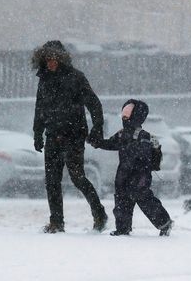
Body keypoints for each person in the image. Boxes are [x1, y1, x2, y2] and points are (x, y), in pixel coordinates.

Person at [32, 40, 108, 233]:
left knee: (77, 177)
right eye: (47, 59)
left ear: (61, 59)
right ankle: (56, 222)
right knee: (52, 180)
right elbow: (39, 108)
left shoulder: (76, 78)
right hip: (52, 136)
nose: (50, 63)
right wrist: (37, 133)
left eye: (53, 59)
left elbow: (94, 104)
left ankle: (99, 213)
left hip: (73, 136)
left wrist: (97, 127)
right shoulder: (44, 80)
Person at [90, 99, 173, 236]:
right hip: (123, 174)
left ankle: (164, 223)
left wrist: (135, 154)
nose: (124, 117)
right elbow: (111, 144)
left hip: (140, 175)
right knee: (122, 201)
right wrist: (98, 142)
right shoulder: (122, 134)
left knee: (144, 199)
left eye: (128, 114)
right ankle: (123, 228)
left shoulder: (143, 136)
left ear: (137, 115)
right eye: (124, 113)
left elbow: (145, 155)